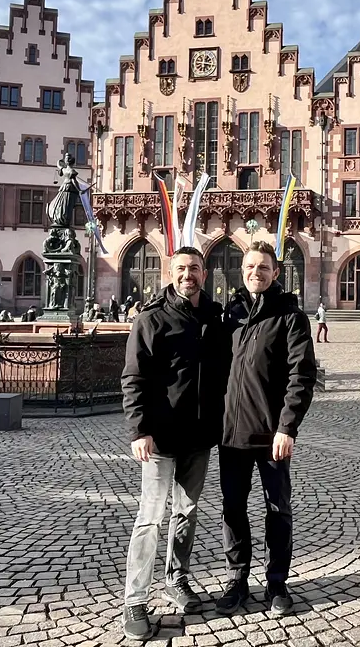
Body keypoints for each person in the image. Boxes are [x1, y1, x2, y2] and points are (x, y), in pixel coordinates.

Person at [120, 247, 229, 641]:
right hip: (161, 437)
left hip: (198, 437)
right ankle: (134, 599)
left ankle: (176, 579)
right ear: (171, 272)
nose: (188, 275)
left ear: (204, 272)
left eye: (194, 269)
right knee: (150, 518)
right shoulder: (151, 318)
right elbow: (133, 378)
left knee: (187, 511)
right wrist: (139, 430)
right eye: (181, 269)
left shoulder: (215, 318)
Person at [216, 241, 317, 618]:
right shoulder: (232, 314)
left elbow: (301, 375)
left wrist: (287, 427)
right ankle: (237, 578)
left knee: (278, 509)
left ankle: (277, 582)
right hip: (233, 433)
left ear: (276, 272)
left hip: (272, 433)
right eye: (249, 267)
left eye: (263, 267)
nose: (255, 273)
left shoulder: (290, 316)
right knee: (233, 508)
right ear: (241, 272)